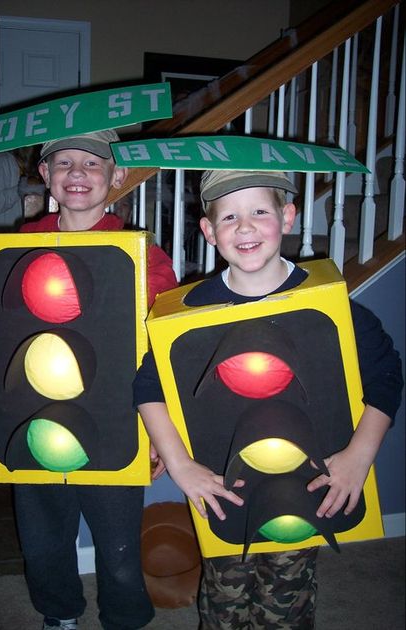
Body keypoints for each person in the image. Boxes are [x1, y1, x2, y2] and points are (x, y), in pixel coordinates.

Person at [133, 169, 403, 629]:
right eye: (230, 216)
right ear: (209, 231)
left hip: (303, 480)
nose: (245, 226)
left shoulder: (328, 306)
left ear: (289, 216)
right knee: (222, 596)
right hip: (224, 484)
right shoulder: (189, 313)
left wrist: (360, 455)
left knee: (287, 595)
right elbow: (148, 386)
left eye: (260, 211)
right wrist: (179, 464)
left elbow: (385, 375)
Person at [0, 130, 178, 630]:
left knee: (119, 544)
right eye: (64, 164)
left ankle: (123, 619)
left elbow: (160, 343)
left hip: (115, 422)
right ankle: (58, 613)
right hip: (31, 417)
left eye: (92, 164)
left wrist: (160, 429)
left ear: (117, 178)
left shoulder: (141, 254)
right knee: (42, 540)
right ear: (45, 176)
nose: (77, 174)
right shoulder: (14, 247)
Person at [0, 146, 45, 231]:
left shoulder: (37, 164)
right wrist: (18, 191)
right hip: (5, 240)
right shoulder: (1, 161)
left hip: (31, 239)